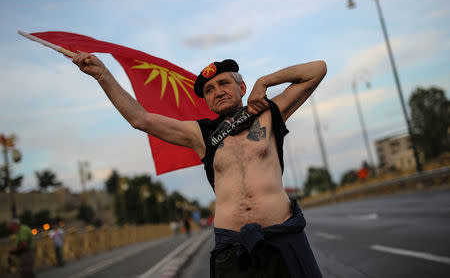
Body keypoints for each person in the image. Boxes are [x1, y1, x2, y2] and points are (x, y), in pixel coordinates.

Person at [73, 53, 326, 277]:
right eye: (209, 90)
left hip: (281, 237)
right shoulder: (201, 134)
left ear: (242, 87)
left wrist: (265, 81)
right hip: (233, 248)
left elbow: (318, 69)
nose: (217, 91)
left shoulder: (268, 112)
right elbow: (141, 119)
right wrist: (103, 75)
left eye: (224, 83)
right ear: (206, 101)